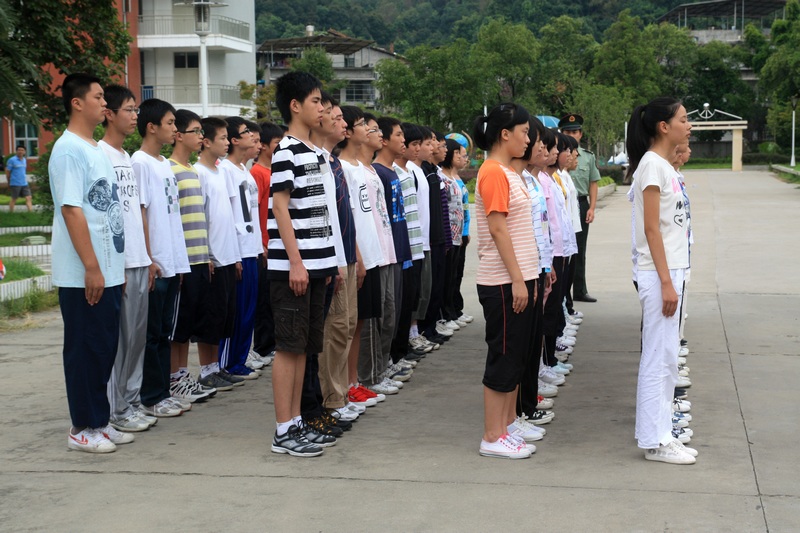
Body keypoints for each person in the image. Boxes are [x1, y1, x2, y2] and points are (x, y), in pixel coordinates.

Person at [50, 73, 129, 452]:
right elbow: (71, 210)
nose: (104, 103)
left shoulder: (95, 148)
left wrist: (113, 269)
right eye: (98, 97)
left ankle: (100, 420)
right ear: (77, 103)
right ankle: (82, 428)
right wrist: (92, 267)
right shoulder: (68, 150)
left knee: (103, 349)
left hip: (107, 270)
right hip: (83, 273)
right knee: (85, 350)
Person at [267, 71, 339, 457]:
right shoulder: (287, 150)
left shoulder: (313, 152)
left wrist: (328, 264)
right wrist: (296, 263)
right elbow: (280, 207)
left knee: (303, 349)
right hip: (294, 269)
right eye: (315, 101)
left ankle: (296, 421)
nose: (322, 108)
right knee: (289, 347)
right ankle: (283, 429)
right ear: (295, 106)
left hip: (317, 266)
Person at [627, 97, 697, 465]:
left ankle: (664, 434)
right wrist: (667, 282)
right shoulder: (652, 166)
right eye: (683, 119)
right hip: (659, 275)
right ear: (663, 126)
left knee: (668, 357)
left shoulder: (664, 166)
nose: (689, 125)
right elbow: (651, 229)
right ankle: (654, 441)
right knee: (658, 357)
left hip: (671, 272)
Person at [473, 103, 540, 459]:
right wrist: (517, 280)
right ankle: (492, 435)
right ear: (504, 134)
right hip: (502, 282)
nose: (528, 139)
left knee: (514, 357)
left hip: (518, 279)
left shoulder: (508, 172)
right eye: (524, 132)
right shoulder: (493, 172)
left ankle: (505, 427)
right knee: (502, 357)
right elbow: (498, 229)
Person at [99, 84, 157, 433]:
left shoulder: (126, 157)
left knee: (136, 339)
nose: (135, 116)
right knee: (119, 343)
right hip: (119, 264)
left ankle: (131, 402)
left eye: (136, 110)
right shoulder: (101, 155)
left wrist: (147, 257)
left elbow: (137, 213)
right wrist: (113, 265)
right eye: (129, 110)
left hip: (138, 259)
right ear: (109, 114)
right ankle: (114, 409)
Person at [132, 98, 191, 418]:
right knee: (152, 334)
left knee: (165, 331)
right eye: (169, 123)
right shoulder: (140, 162)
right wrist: (148, 257)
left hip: (172, 260)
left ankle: (163, 392)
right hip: (155, 262)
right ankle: (151, 396)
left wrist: (178, 259)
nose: (174, 129)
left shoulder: (164, 164)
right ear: (151, 127)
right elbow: (140, 212)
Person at [167, 109, 218, 403]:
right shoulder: (170, 170)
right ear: (178, 135)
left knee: (188, 324)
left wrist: (207, 256)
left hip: (200, 259)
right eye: (196, 131)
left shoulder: (193, 172)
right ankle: (174, 378)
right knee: (178, 325)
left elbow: (201, 218)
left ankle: (183, 375)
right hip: (183, 261)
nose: (200, 136)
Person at [194, 116, 243, 392]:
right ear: (206, 141)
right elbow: (200, 218)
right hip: (212, 257)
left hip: (228, 255)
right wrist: (208, 256)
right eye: (222, 138)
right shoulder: (198, 172)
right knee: (209, 317)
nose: (226, 143)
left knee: (224, 316)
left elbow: (229, 216)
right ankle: (206, 369)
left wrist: (235, 257)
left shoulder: (221, 172)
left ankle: (216, 367)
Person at [218, 116, 263, 380]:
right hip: (238, 250)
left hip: (252, 248)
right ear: (234, 140)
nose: (252, 137)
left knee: (248, 310)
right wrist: (234, 254)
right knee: (235, 311)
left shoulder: (245, 171)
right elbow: (227, 215)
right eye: (246, 132)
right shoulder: (225, 170)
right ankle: (227, 363)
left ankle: (240, 360)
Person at [250, 121, 285, 369]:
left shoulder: (275, 172)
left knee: (273, 300)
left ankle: (271, 344)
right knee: (263, 301)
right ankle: (263, 346)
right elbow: (257, 212)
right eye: (277, 143)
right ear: (263, 146)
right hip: (265, 245)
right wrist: (262, 243)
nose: (281, 147)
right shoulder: (257, 173)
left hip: (276, 245)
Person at [560, 113, 600, 303]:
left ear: (580, 134)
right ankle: (564, 293)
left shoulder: (587, 157)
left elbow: (593, 182)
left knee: (579, 248)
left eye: (575, 132)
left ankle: (580, 290)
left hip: (581, 203)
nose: (572, 135)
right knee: (564, 249)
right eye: (568, 132)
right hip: (562, 204)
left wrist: (592, 207)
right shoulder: (558, 156)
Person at [7, 145, 32, 212]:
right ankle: (11, 213)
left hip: (24, 183)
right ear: (16, 151)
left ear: (25, 152)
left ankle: (30, 212)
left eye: (22, 150)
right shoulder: (12, 160)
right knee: (14, 198)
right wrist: (9, 182)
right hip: (15, 183)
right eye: (19, 150)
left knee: (28, 197)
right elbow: (8, 172)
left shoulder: (24, 160)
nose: (20, 151)